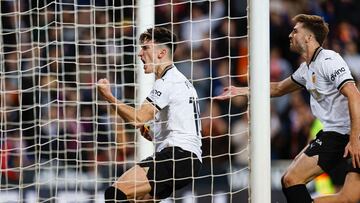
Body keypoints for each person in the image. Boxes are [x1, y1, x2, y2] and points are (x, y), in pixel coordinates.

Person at [215, 14, 360, 203]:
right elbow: (278, 88)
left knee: (291, 180)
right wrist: (241, 89)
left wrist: (355, 139)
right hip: (336, 133)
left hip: (343, 134)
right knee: (348, 198)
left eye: (295, 31)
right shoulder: (306, 69)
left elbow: (354, 94)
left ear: (308, 37)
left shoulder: (329, 60)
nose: (290, 35)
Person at [97, 27, 203, 202]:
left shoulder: (167, 82)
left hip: (176, 157)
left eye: (145, 48)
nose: (140, 53)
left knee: (115, 194)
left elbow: (138, 118)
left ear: (162, 52)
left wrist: (108, 96)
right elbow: (180, 125)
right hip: (189, 160)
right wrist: (154, 133)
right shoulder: (182, 81)